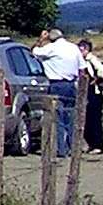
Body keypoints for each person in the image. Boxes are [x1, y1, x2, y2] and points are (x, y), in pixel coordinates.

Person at [34, 28, 84, 156]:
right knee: (71, 117)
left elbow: (34, 51)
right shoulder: (73, 48)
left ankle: (61, 149)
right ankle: (74, 148)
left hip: (56, 84)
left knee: (58, 119)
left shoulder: (51, 48)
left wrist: (41, 39)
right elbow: (82, 68)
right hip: (71, 84)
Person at [79, 38, 103, 154]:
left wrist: (96, 80)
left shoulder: (91, 59)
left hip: (94, 93)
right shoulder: (83, 60)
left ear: (87, 49)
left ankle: (98, 145)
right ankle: (92, 144)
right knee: (86, 119)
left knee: (94, 119)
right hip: (87, 92)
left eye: (82, 48)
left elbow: (102, 70)